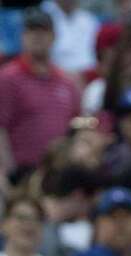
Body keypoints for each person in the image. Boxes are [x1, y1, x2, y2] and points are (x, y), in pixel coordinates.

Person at [0, 9, 81, 182]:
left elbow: (75, 127)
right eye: (31, 31)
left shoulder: (67, 82)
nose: (37, 36)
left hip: (58, 173)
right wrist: (8, 172)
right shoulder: (8, 78)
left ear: (53, 36)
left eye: (43, 31)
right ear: (23, 36)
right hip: (21, 172)